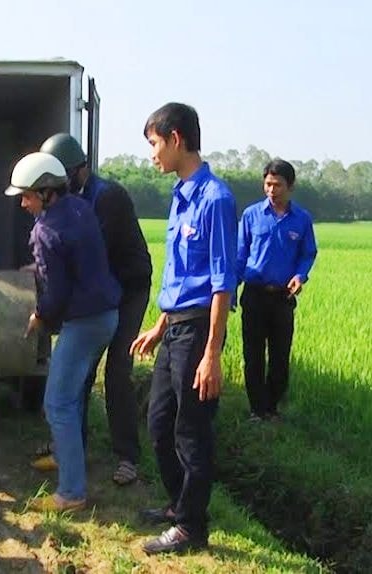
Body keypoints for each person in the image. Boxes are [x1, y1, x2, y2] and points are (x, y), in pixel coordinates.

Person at [131, 103, 237, 554]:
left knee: (192, 430)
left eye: (155, 144)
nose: (152, 154)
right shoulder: (180, 195)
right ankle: (179, 505)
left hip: (198, 333)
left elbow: (220, 282)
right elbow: (178, 275)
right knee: (158, 423)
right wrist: (159, 325)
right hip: (174, 327)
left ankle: (192, 528)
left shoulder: (216, 199)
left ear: (176, 139)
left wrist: (212, 353)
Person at [6, 152, 120, 513]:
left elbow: (55, 294)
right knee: (70, 397)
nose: (23, 203)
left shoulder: (45, 230)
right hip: (106, 315)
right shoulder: (79, 208)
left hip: (83, 322)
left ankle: (71, 492)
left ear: (47, 193)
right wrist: (40, 266)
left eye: (27, 195)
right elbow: (72, 261)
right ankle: (65, 457)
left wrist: (39, 316)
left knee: (57, 403)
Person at [37, 133, 152, 486]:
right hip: (102, 289)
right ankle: (72, 448)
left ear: (79, 169)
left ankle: (127, 457)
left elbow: (91, 254)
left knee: (117, 370)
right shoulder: (73, 198)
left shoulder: (108, 197)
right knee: (81, 370)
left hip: (128, 289)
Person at [237, 159, 317, 422]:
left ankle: (271, 407)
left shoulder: (302, 219)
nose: (271, 190)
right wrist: (227, 290)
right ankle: (256, 410)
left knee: (280, 357)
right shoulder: (251, 215)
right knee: (254, 355)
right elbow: (240, 254)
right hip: (254, 294)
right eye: (268, 184)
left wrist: (300, 276)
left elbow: (308, 253)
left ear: (290, 186)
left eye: (278, 185)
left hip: (283, 297)